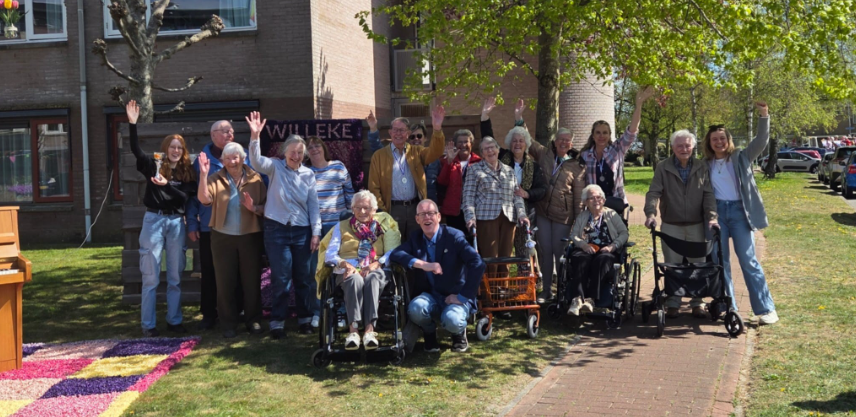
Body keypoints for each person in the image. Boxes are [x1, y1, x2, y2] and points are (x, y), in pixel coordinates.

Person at [701, 101, 778, 325]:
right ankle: (729, 307)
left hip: (739, 213)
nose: (719, 142)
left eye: (722, 138)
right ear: (709, 142)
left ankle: (766, 309)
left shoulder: (741, 156)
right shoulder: (705, 164)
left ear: (728, 140)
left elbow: (761, 141)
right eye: (714, 139)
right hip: (717, 215)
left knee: (748, 261)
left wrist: (764, 115)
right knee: (720, 263)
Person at [247, 112, 322, 339]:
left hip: (302, 231)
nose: (296, 156)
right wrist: (255, 136)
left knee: (303, 277)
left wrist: (316, 233)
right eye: (293, 152)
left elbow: (314, 207)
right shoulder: (275, 167)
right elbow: (256, 160)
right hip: (276, 230)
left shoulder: (309, 175)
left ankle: (305, 320)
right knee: (280, 278)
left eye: (300, 153)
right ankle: (277, 323)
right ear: (285, 152)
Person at [126, 100, 195, 337]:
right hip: (153, 221)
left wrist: (167, 186)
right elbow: (136, 150)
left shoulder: (187, 171)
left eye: (180, 147)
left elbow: (185, 199)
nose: (176, 150)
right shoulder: (153, 165)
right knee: (151, 276)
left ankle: (174, 322)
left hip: (176, 223)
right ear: (165, 148)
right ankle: (148, 326)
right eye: (172, 147)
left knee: (175, 276)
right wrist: (132, 124)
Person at [508, 100, 585, 303]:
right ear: (555, 140)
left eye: (567, 140)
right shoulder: (544, 153)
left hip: (563, 216)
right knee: (545, 251)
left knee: (560, 252)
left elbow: (578, 196)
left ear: (571, 143)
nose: (563, 143)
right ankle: (546, 291)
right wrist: (518, 118)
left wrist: (578, 220)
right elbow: (527, 140)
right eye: (560, 139)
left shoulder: (576, 165)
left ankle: (562, 289)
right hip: (542, 212)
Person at [390, 200, 486, 353]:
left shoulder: (454, 236)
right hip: (430, 295)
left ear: (439, 217)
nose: (427, 218)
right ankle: (429, 334)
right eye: (422, 214)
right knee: (415, 309)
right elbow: (396, 254)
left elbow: (478, 263)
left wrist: (463, 296)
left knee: (453, 320)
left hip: (454, 295)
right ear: (417, 219)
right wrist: (423, 264)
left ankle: (458, 333)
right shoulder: (416, 238)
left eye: (431, 213)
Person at [644, 129, 718, 319]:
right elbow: (653, 192)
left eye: (687, 145)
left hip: (696, 225)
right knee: (673, 265)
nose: (684, 149)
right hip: (671, 224)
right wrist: (651, 214)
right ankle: (673, 303)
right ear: (672, 147)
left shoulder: (701, 167)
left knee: (698, 265)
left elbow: (708, 194)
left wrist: (712, 217)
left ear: (693, 146)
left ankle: (697, 303)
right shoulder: (663, 167)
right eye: (679, 146)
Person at [196, 143, 266, 338]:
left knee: (251, 281)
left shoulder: (256, 178)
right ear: (223, 161)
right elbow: (204, 199)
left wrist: (255, 209)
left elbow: (266, 208)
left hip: (250, 235)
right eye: (228, 158)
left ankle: (254, 320)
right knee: (224, 281)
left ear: (243, 159)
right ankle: (228, 323)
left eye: (235, 158)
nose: (232, 162)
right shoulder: (214, 178)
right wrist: (203, 174)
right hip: (222, 236)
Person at [319, 191, 401, 350]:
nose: (362, 212)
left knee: (372, 278)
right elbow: (330, 254)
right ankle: (354, 332)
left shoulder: (383, 227)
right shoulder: (341, 227)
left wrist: (377, 263)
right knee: (354, 278)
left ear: (374, 210)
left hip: (375, 268)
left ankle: (369, 332)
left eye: (367, 208)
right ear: (352, 209)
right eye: (358, 207)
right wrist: (344, 264)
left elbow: (392, 252)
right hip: (347, 271)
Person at [367, 105, 446, 241]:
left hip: (415, 208)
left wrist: (437, 129)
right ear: (390, 132)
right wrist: (382, 211)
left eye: (402, 130)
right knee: (393, 245)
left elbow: (435, 152)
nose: (398, 133)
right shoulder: (379, 156)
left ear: (408, 133)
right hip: (392, 209)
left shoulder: (417, 151)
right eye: (396, 130)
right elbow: (374, 186)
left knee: (416, 245)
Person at [186, 119, 235, 331]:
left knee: (235, 271)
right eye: (225, 131)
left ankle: (235, 312)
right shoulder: (200, 161)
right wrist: (191, 223)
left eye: (231, 131)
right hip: (208, 226)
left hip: (236, 226)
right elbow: (192, 196)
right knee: (209, 272)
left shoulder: (240, 156)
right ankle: (208, 314)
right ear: (213, 135)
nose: (230, 134)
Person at [461, 136, 530, 274]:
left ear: (498, 150)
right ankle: (489, 292)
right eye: (486, 149)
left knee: (506, 258)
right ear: (482, 153)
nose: (490, 150)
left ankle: (502, 291)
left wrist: (522, 214)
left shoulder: (509, 171)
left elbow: (517, 196)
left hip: (508, 218)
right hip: (486, 218)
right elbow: (468, 197)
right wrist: (470, 218)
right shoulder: (474, 170)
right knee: (490, 258)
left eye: (492, 147)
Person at [306, 136, 355, 328]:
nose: (314, 149)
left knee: (341, 270)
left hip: (339, 228)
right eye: (309, 147)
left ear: (324, 148)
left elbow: (350, 195)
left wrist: (350, 225)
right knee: (316, 272)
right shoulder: (306, 172)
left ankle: (341, 311)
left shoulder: (338, 167)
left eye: (317, 145)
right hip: (315, 231)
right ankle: (318, 312)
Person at [581, 87, 655, 204]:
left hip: (615, 202)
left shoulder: (617, 149)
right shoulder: (585, 156)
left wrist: (638, 105)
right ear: (593, 136)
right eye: (598, 133)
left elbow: (632, 130)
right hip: (593, 206)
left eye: (605, 133)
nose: (601, 136)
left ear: (610, 135)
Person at [566, 185, 629, 315]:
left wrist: (613, 246)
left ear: (603, 200)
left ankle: (591, 300)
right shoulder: (583, 216)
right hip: (586, 249)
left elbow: (624, 233)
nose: (596, 200)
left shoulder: (612, 214)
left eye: (599, 197)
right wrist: (583, 245)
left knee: (602, 260)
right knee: (579, 258)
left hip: (607, 250)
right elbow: (574, 235)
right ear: (585, 202)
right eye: (592, 198)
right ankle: (577, 299)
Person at [437, 128, 481, 236]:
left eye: (466, 141)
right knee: (455, 242)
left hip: (474, 211)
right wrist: (448, 162)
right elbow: (442, 182)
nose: (463, 145)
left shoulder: (479, 162)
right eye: (460, 142)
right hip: (454, 211)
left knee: (473, 242)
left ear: (471, 144)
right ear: (455, 144)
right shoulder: (447, 160)